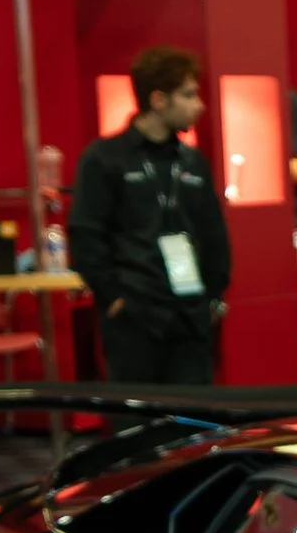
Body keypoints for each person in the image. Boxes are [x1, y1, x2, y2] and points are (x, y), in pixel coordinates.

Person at [69, 47, 233, 387]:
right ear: (158, 100)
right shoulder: (104, 159)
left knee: (195, 424)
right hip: (134, 317)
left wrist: (213, 297)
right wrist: (113, 298)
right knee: (138, 426)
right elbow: (85, 234)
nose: (199, 105)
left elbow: (213, 232)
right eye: (188, 95)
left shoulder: (192, 162)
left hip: (191, 316)